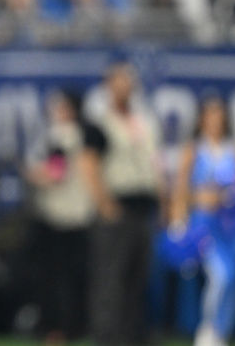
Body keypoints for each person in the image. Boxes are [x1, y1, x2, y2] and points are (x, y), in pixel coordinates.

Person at [81, 61, 164, 345]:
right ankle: (108, 338)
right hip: (119, 205)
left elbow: (155, 164)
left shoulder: (144, 121)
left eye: (128, 81)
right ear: (109, 86)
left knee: (137, 279)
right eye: (119, 81)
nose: (124, 87)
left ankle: (133, 337)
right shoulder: (100, 122)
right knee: (111, 280)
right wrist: (104, 204)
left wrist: (163, 200)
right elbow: (89, 164)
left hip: (144, 206)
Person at [170, 96, 235, 346]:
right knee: (219, 276)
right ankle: (208, 327)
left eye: (219, 116)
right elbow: (181, 189)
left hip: (230, 225)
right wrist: (181, 218)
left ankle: (223, 331)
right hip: (204, 225)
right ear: (202, 120)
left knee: (232, 277)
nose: (215, 121)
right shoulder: (194, 150)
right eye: (210, 116)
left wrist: (230, 195)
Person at [24, 90, 95, 343]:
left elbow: (55, 174)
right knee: (74, 277)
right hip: (79, 216)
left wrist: (30, 173)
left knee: (56, 279)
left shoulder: (62, 134)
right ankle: (74, 327)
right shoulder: (80, 134)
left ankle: (58, 329)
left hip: (60, 218)